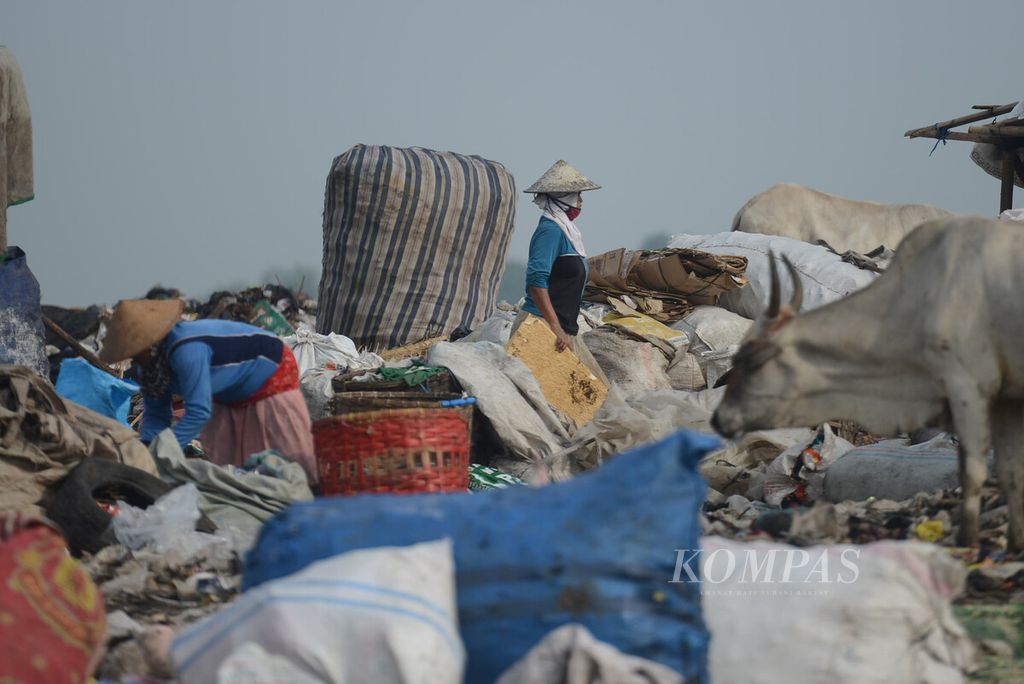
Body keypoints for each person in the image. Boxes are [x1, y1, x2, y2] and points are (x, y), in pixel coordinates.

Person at [98, 299, 317, 484]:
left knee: (286, 464)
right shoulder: (150, 368)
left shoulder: (186, 349)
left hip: (272, 372)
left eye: (135, 353)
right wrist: (145, 452)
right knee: (233, 471)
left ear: (150, 344)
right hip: (228, 392)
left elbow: (199, 412)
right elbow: (156, 415)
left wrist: (163, 453)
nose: (134, 360)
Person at [515, 160, 607, 382]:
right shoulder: (550, 231)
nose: (581, 202)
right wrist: (555, 327)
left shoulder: (568, 233)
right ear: (563, 197)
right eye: (578, 196)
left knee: (593, 397)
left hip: (563, 331)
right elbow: (536, 280)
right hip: (542, 328)